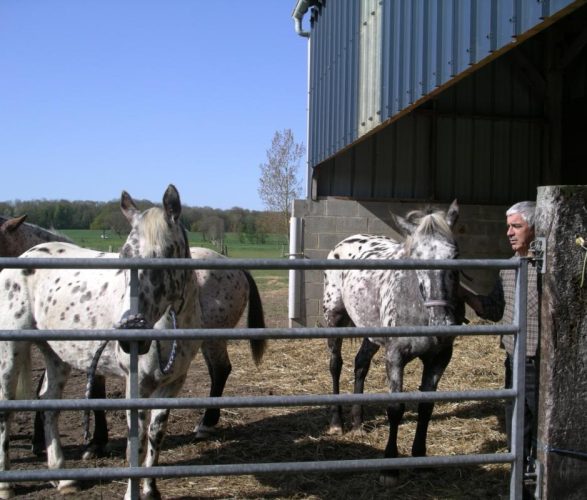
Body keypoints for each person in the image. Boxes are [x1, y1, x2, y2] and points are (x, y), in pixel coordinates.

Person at [459, 201, 539, 472]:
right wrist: (464, 293)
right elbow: (494, 310)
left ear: (535, 229)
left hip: (539, 362)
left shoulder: (547, 269)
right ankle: (520, 478)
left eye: (517, 226)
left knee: (540, 424)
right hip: (513, 357)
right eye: (508, 227)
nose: (509, 233)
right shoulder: (508, 267)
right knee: (515, 423)